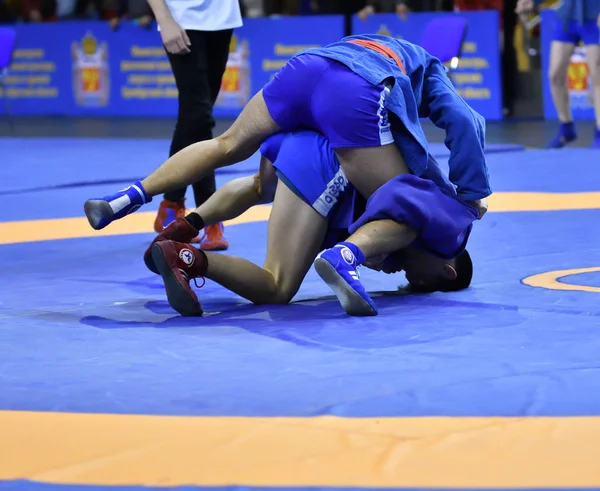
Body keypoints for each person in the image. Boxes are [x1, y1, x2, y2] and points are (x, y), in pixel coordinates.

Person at [83, 34, 490, 236]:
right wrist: (469, 197)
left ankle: (128, 196)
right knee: (408, 202)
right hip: (353, 88)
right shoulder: (431, 71)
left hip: (307, 66)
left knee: (228, 146)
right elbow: (466, 121)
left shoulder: (391, 49)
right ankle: (354, 258)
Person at [145, 130, 478, 317]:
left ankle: (184, 226)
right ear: (444, 271)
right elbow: (398, 195)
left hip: (304, 136)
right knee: (277, 287)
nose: (406, 276)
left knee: (259, 187)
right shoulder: (444, 227)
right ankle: (185, 257)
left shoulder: (411, 238)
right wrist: (359, 247)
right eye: (418, 281)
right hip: (328, 163)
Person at [146, 0, 242, 250]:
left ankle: (171, 204)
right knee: (199, 116)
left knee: (195, 117)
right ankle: (209, 216)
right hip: (181, 18)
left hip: (223, 17)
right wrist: (164, 19)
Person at [517, 0, 600, 148]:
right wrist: (532, 2)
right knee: (555, 75)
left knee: (597, 76)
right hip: (568, 15)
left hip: (594, 15)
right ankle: (566, 127)